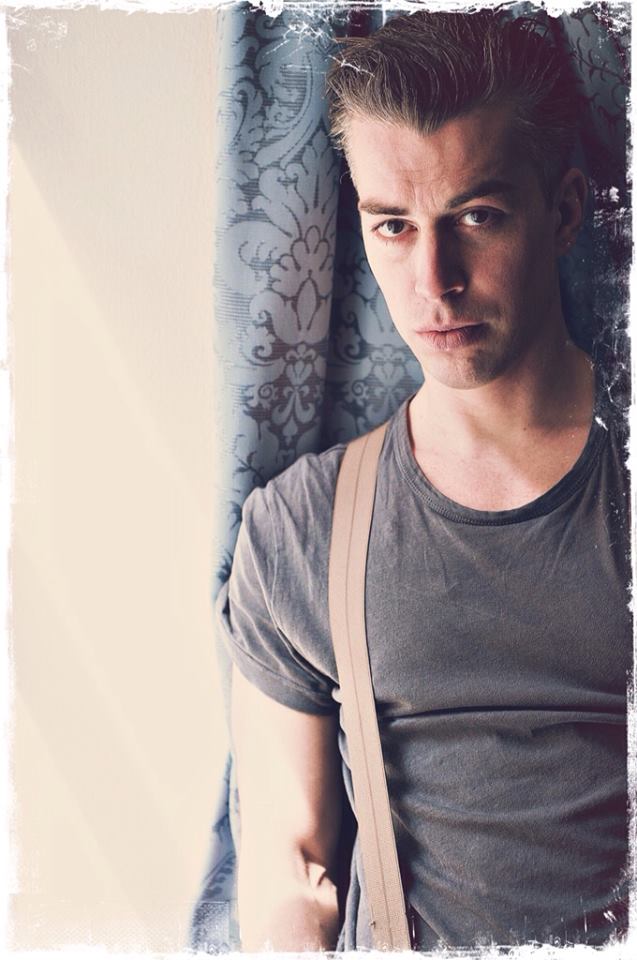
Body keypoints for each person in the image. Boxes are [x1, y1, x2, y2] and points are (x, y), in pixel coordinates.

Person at [217, 9, 631, 951]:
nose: (434, 281)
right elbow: (290, 870)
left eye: (476, 217)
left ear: (565, 212)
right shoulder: (300, 530)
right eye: (394, 227)